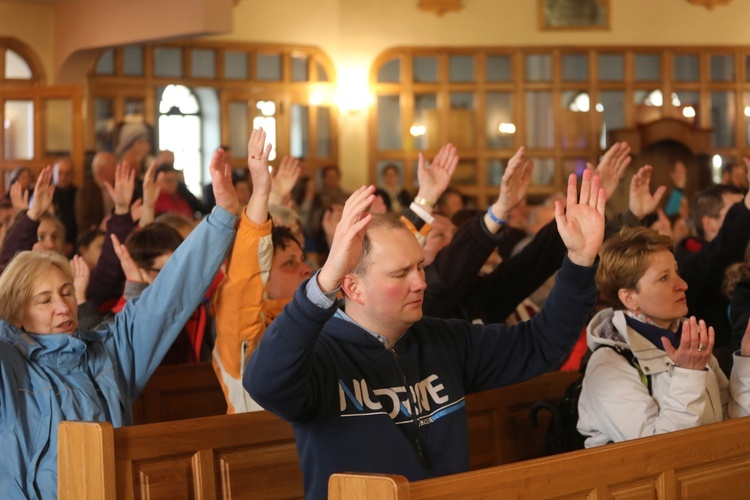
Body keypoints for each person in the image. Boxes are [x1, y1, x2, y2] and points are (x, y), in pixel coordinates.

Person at [245, 167, 606, 499]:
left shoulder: (443, 339)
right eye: (401, 274)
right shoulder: (321, 354)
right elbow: (264, 382)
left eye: (419, 267)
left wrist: (580, 261)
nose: (420, 283)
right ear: (353, 287)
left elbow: (541, 345)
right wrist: (323, 282)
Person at [577, 227, 750, 448]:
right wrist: (688, 375)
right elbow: (660, 454)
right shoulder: (609, 365)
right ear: (629, 298)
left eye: (676, 271)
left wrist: (747, 360)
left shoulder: (686, 339)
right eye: (664, 278)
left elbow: (734, 430)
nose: (683, 285)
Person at [213, 128, 313, 413]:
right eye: (290, 264)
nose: (307, 270)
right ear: (265, 278)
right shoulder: (245, 335)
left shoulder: (318, 316)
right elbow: (244, 281)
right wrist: (262, 195)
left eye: (301, 259)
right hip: (263, 453)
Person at [52, 157, 78, 250]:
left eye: (67, 173)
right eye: (59, 173)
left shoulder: (78, 193)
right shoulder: (47, 194)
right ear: (53, 174)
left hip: (74, 244)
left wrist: (73, 244)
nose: (63, 177)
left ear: (73, 175)